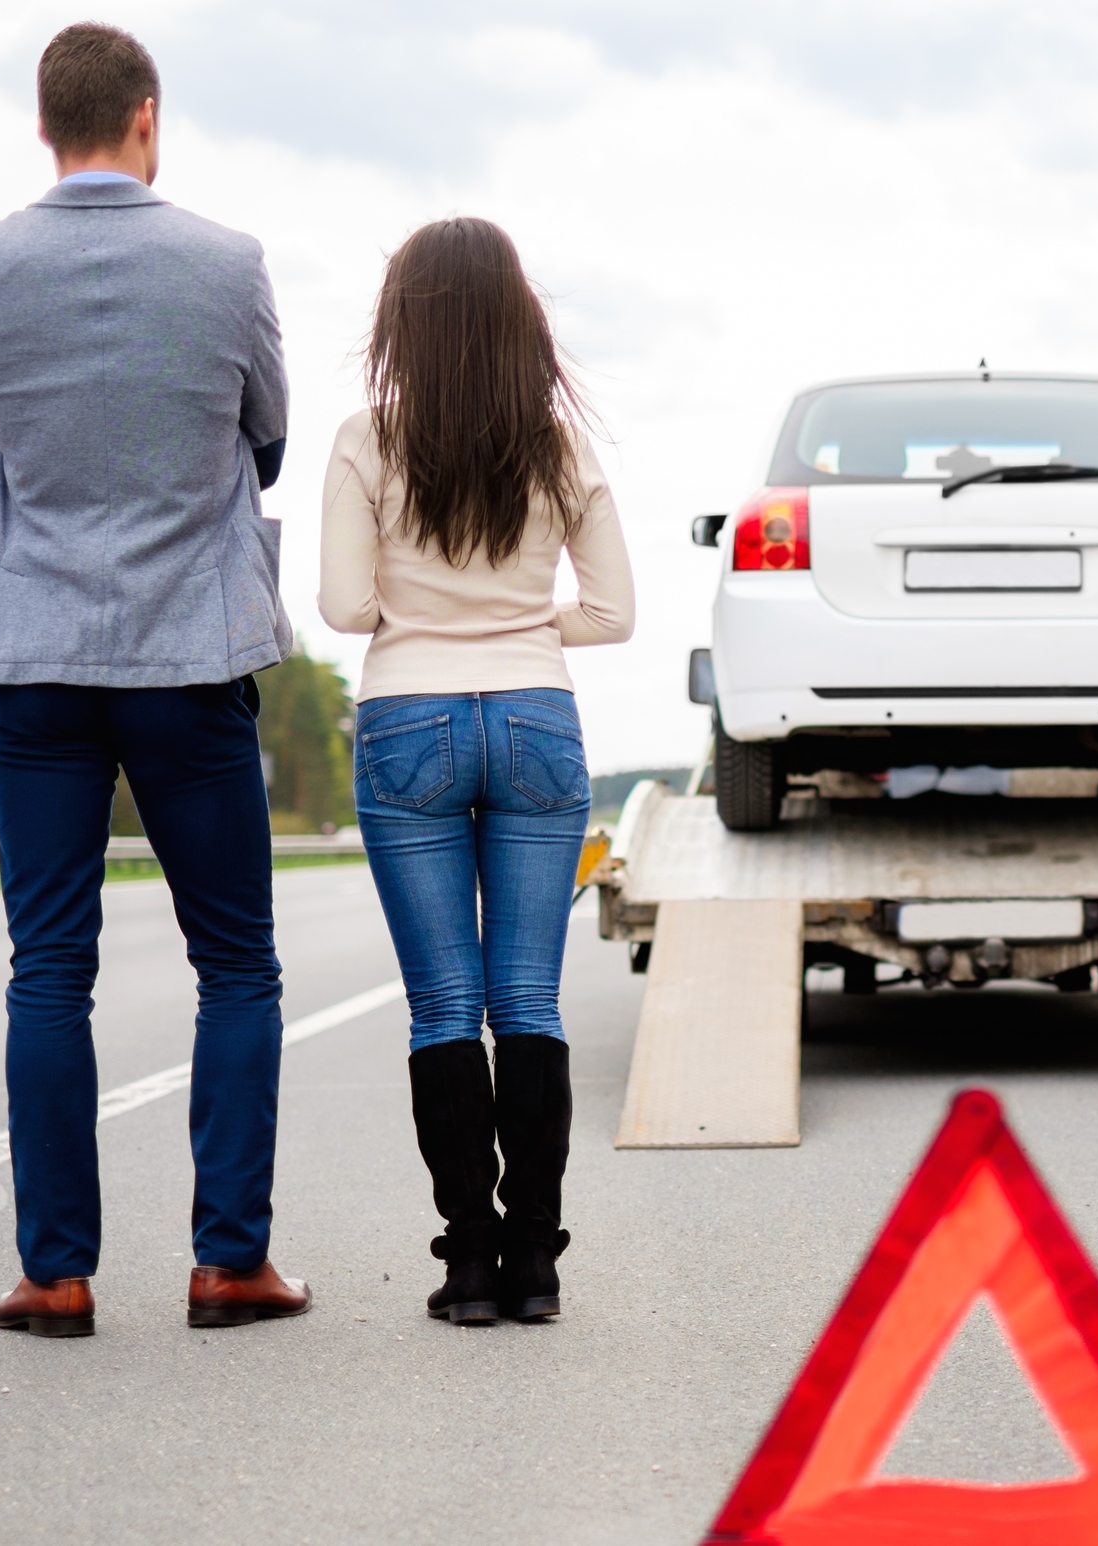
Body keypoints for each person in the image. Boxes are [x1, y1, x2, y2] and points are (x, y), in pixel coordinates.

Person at [0, 22, 310, 1337]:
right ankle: (228, 1262)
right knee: (238, 962)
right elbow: (265, 434)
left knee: (49, 964)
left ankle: (55, 1272)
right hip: (187, 655)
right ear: (147, 116)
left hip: (31, 655)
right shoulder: (228, 263)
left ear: (47, 124)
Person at [319, 218, 634, 1325]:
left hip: (408, 718)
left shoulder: (367, 439)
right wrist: (519, 623)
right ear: (519, 323)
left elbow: (345, 608)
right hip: (537, 717)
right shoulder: (559, 447)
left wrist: (428, 616)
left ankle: (467, 1263)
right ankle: (536, 1266)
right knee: (529, 1001)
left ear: (400, 324)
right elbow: (612, 613)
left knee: (443, 1007)